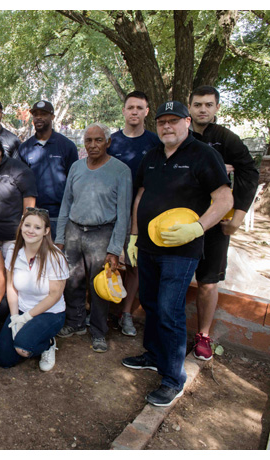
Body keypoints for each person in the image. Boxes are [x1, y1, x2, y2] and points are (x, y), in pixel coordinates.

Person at [123, 101, 232, 407]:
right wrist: (134, 234)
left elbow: (224, 199)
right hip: (147, 246)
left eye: (173, 121)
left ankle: (173, 380)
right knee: (153, 305)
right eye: (162, 122)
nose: (167, 126)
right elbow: (141, 195)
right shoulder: (153, 155)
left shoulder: (203, 155)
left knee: (171, 312)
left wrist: (198, 228)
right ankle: (154, 356)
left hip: (181, 251)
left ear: (186, 122)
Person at [188, 85, 260, 361]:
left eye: (208, 104)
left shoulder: (228, 139)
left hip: (217, 224)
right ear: (190, 108)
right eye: (197, 105)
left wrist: (239, 215)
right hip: (184, 221)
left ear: (217, 108)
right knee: (178, 276)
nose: (202, 109)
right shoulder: (181, 136)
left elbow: (249, 173)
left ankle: (203, 335)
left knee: (207, 282)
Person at [55, 123, 132, 353]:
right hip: (74, 230)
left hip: (102, 233)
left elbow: (124, 213)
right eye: (88, 140)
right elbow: (66, 204)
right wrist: (60, 237)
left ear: (108, 142)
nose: (93, 145)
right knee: (72, 279)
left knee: (99, 285)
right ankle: (75, 322)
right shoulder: (76, 167)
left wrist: (115, 248)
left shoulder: (120, 170)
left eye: (98, 140)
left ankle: (99, 331)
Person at [107, 91, 161, 337]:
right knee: (107, 260)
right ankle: (102, 309)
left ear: (147, 111)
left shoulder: (154, 143)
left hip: (141, 216)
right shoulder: (111, 141)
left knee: (135, 264)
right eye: (131, 107)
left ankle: (125, 313)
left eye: (140, 107)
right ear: (124, 111)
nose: (135, 112)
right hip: (109, 213)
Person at [0, 208, 69, 371]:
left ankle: (48, 343)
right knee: (4, 360)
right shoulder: (13, 251)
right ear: (21, 226)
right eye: (27, 225)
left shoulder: (55, 257)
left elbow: (54, 295)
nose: (31, 230)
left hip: (49, 312)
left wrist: (27, 317)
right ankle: (28, 338)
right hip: (21, 309)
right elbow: (11, 287)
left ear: (46, 231)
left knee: (23, 347)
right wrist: (15, 317)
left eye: (37, 227)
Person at [18, 100, 78, 240]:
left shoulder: (67, 146)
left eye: (43, 114)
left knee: (58, 259)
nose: (39, 117)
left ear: (52, 117)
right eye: (36, 114)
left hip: (59, 216)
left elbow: (74, 181)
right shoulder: (25, 148)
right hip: (34, 215)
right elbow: (21, 184)